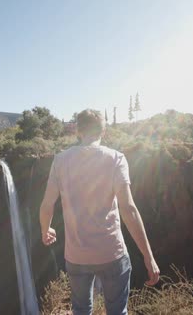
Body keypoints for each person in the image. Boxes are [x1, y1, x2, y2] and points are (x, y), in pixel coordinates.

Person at [39, 109, 160, 315]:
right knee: (117, 311)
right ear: (103, 130)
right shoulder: (115, 159)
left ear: (78, 130)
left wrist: (45, 229)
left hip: (76, 256)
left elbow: (46, 204)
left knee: (81, 309)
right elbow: (128, 209)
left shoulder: (60, 160)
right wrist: (148, 256)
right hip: (111, 253)